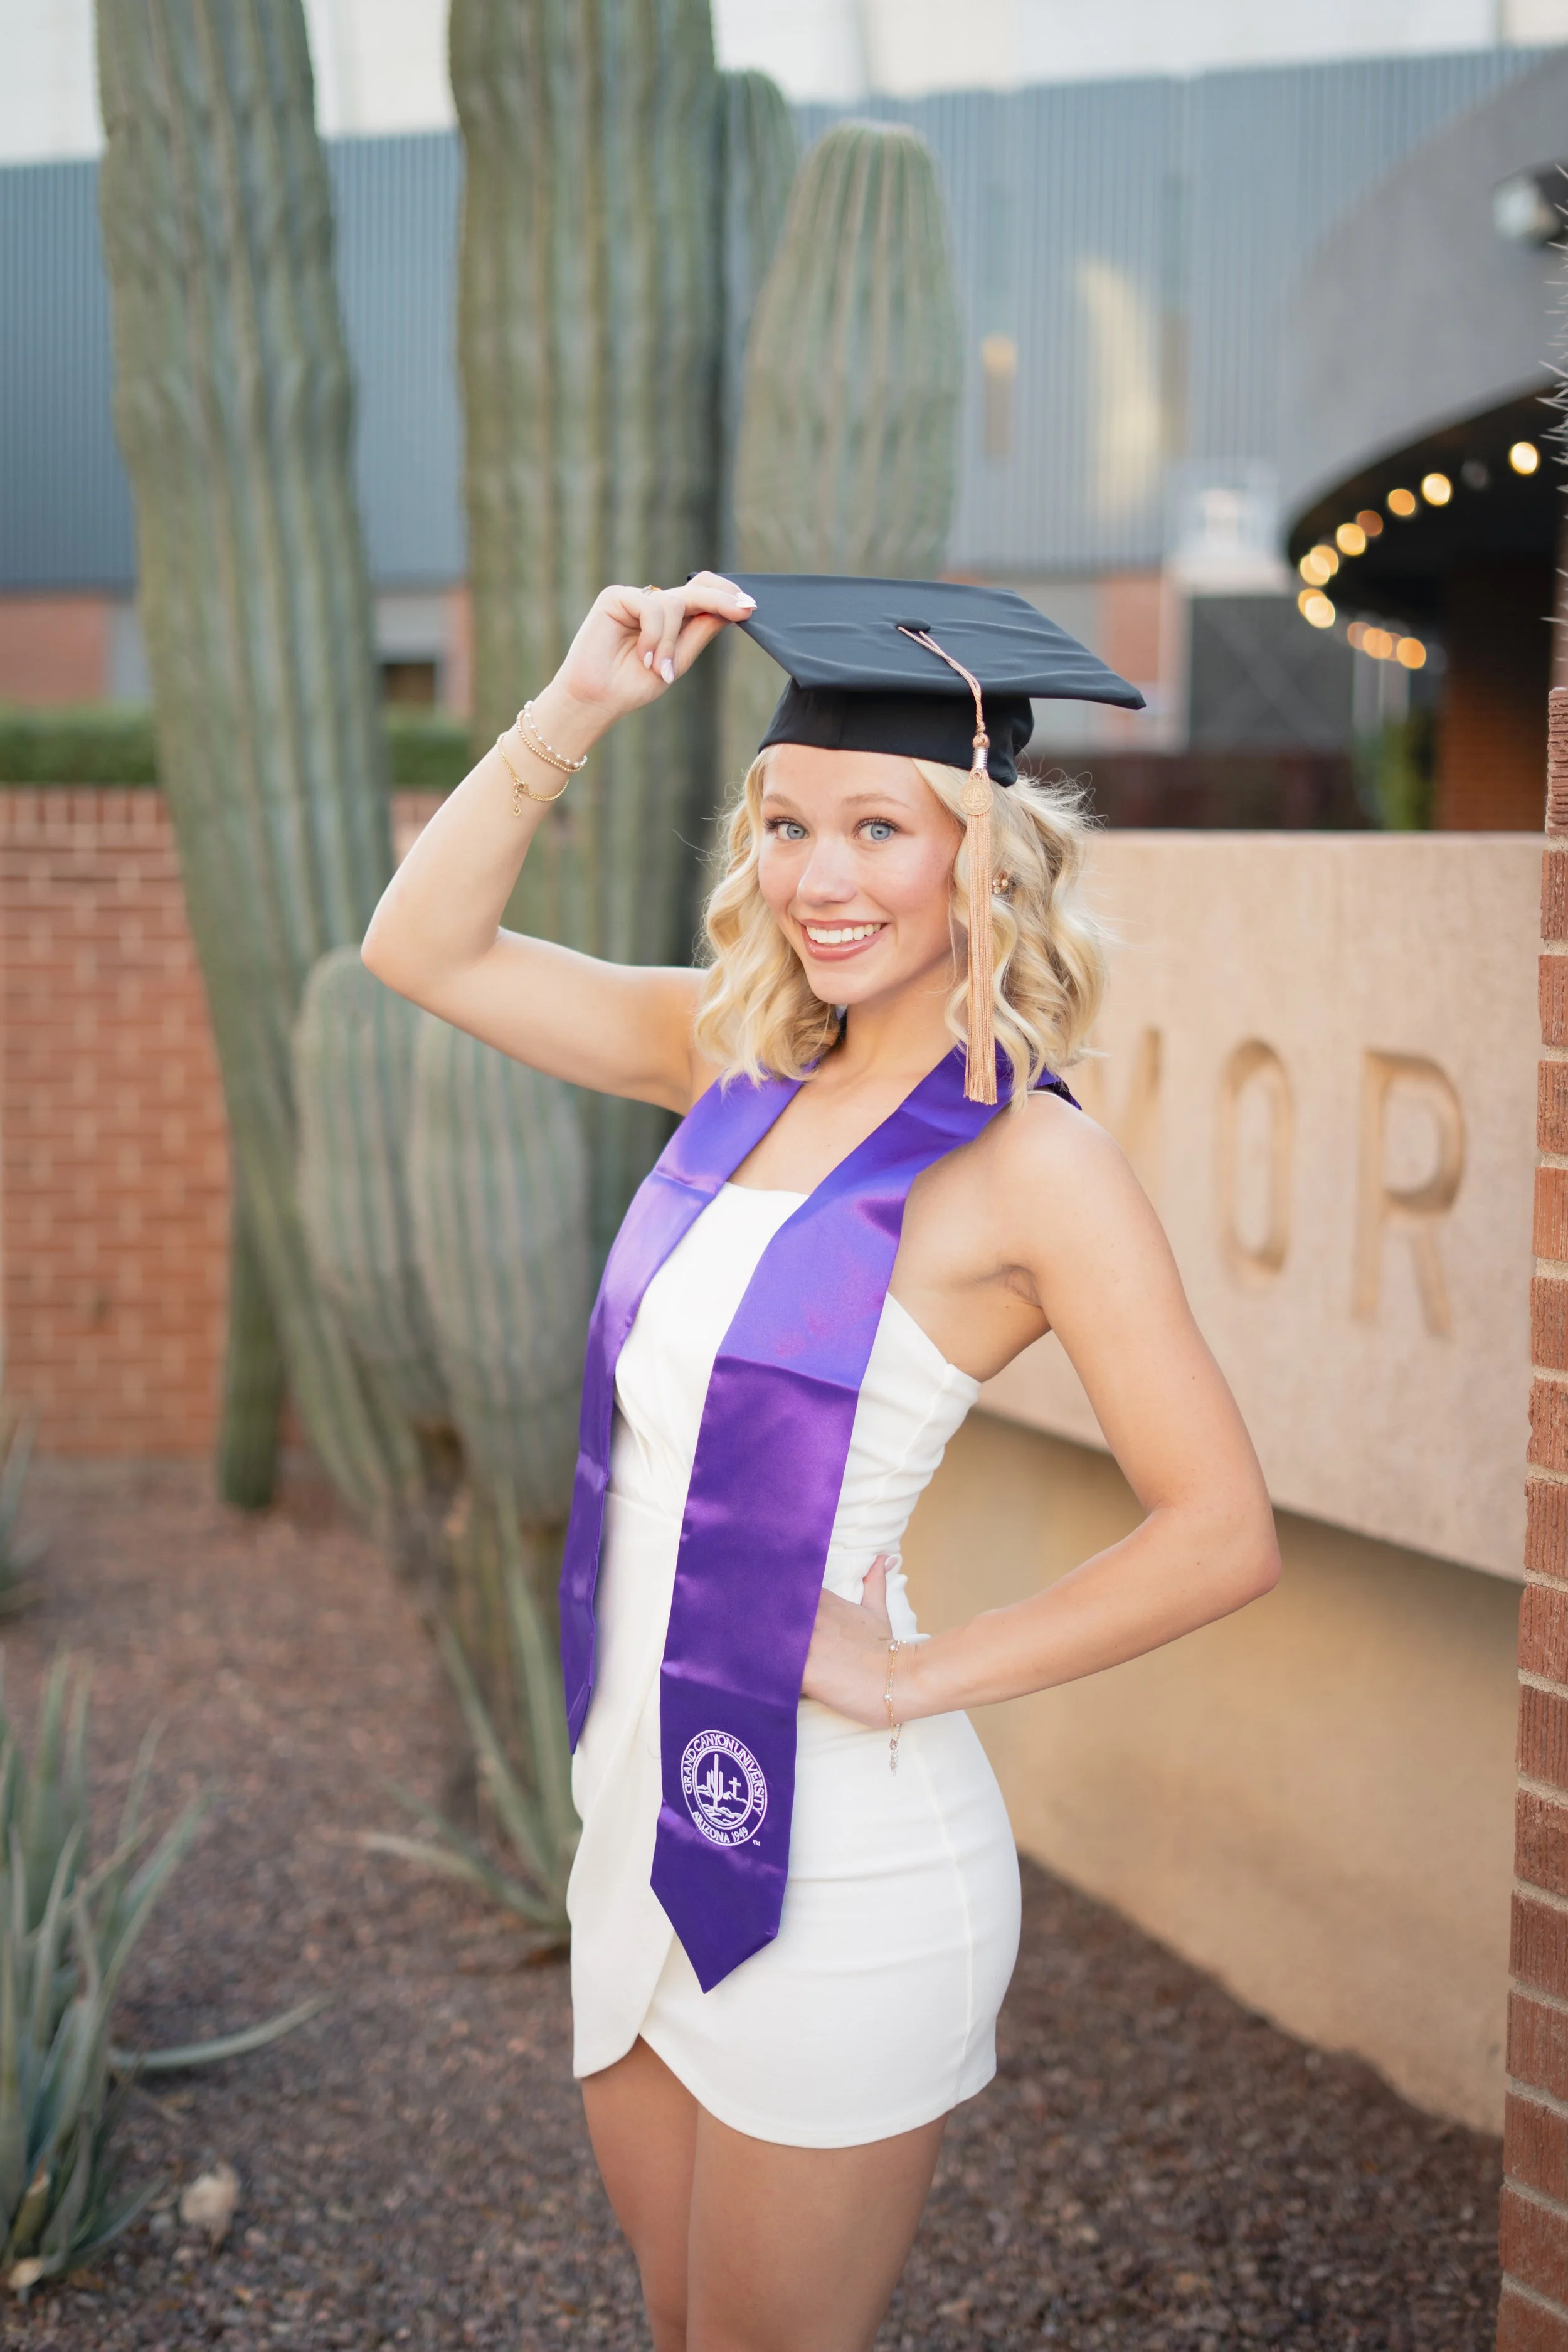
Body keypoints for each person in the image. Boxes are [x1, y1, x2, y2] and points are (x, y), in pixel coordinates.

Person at [361, 570, 1281, 2352]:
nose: (819, 874)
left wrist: (913, 1670)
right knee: (677, 2318)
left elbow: (1218, 1529)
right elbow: (425, 949)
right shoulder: (737, 1063)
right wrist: (572, 707)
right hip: (640, 1813)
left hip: (840, 1863)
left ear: (980, 853)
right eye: (786, 824)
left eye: (879, 824)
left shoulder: (1027, 1164)